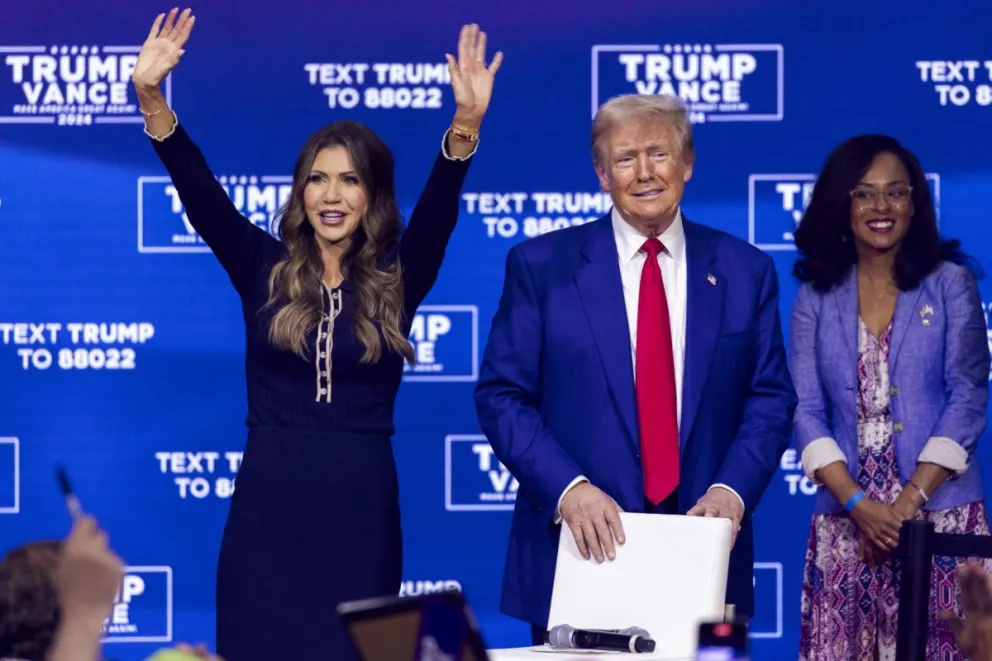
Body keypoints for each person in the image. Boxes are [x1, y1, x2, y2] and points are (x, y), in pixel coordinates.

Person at [130, 9, 501, 661]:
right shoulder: (261, 265)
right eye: (318, 177)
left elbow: (439, 213)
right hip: (267, 506)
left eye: (350, 179)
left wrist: (464, 127)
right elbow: (201, 194)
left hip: (361, 509)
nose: (332, 194)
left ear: (372, 195)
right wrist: (153, 99)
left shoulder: (398, 277)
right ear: (301, 190)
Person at [473, 93, 796, 641]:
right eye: (625, 159)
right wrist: (568, 487)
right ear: (602, 174)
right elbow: (502, 396)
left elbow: (769, 399)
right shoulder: (540, 267)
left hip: (705, 551)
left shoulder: (746, 270)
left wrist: (732, 493)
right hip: (580, 550)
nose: (644, 172)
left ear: (688, 163)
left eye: (659, 153)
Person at [790, 134, 991, 660]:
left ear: (914, 204)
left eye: (896, 193)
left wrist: (904, 510)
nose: (881, 208)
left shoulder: (950, 284)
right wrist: (859, 506)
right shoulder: (815, 297)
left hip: (939, 517)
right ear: (842, 205)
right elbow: (806, 410)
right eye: (864, 194)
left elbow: (968, 396)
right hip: (845, 525)